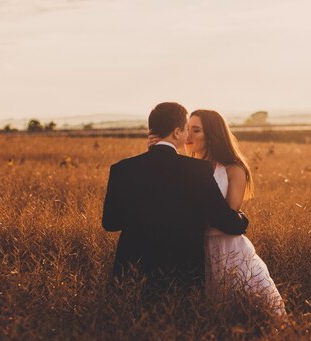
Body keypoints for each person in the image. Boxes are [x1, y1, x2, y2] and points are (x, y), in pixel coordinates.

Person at [102, 102, 249, 297]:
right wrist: (242, 219)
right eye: (186, 129)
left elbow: (110, 223)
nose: (188, 135)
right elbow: (225, 222)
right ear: (177, 132)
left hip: (131, 272)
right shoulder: (197, 170)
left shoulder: (121, 169)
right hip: (181, 273)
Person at [149, 109, 287, 318]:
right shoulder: (185, 168)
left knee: (250, 308)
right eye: (188, 130)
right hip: (197, 249)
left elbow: (228, 217)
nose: (190, 136)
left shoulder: (233, 169)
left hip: (229, 248)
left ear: (212, 134)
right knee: (208, 313)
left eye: (196, 130)